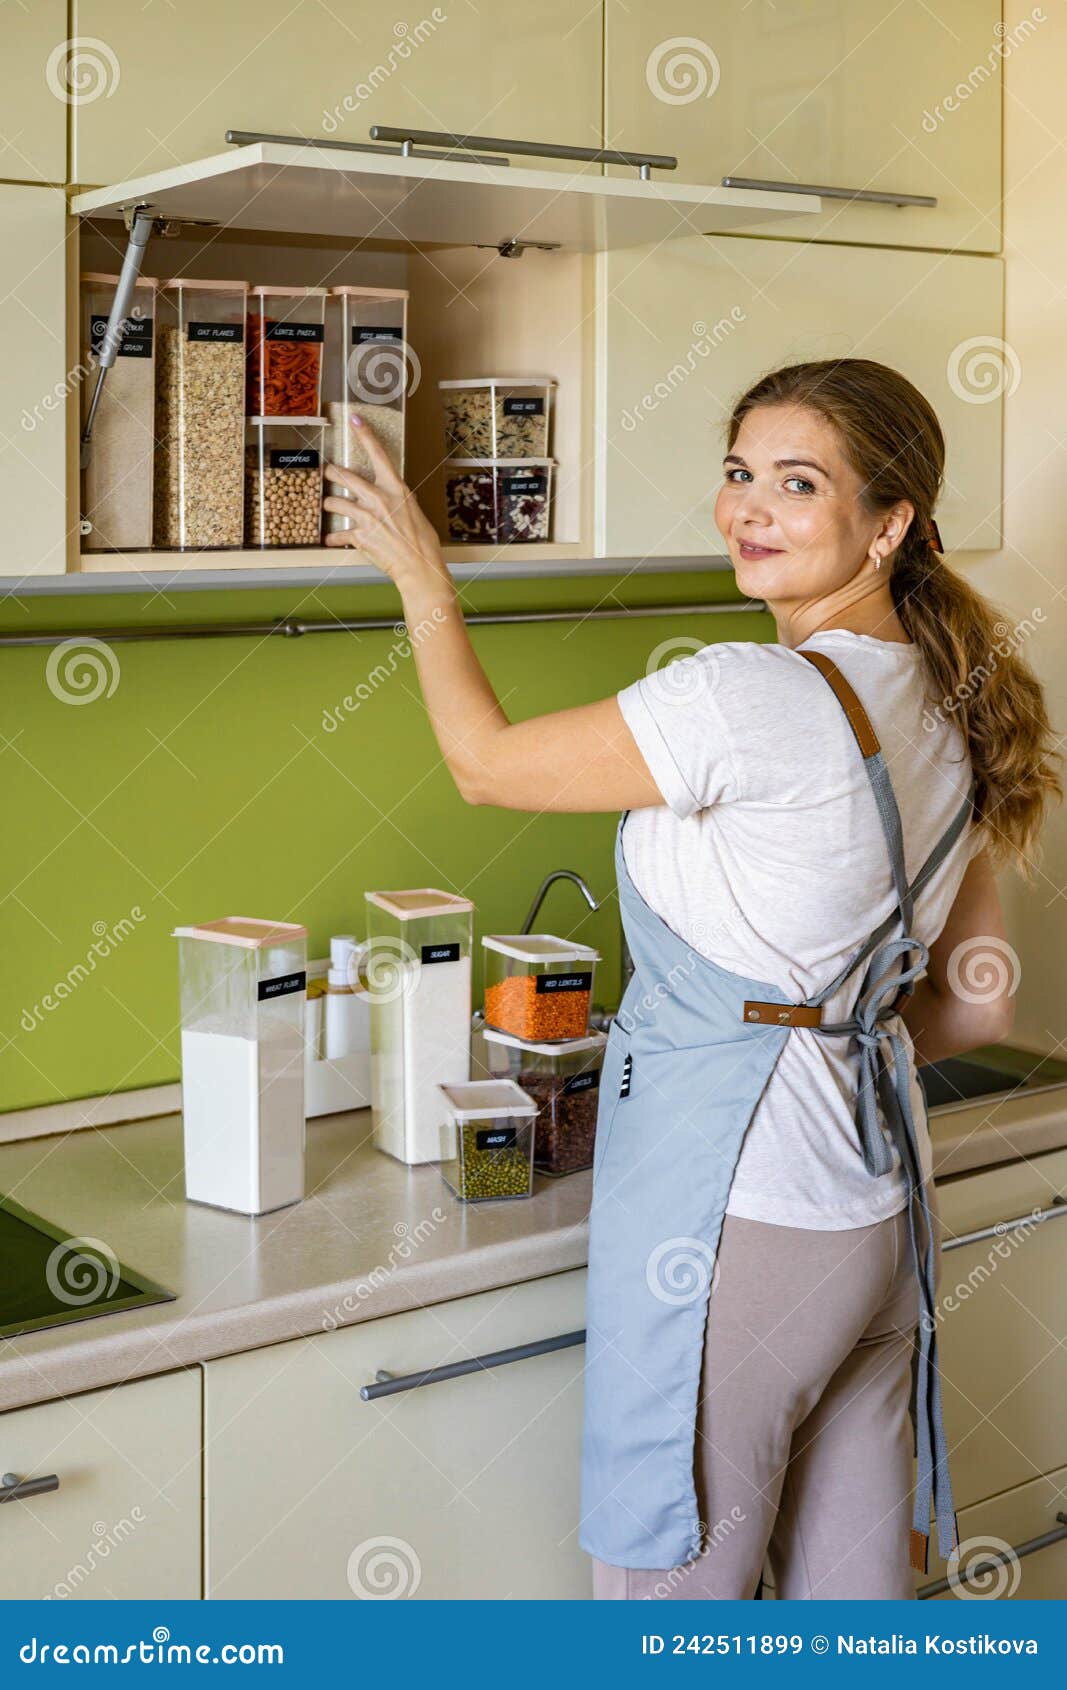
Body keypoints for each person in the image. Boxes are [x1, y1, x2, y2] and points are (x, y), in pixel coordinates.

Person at [323, 358, 1061, 1600]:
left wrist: (417, 569)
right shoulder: (950, 697)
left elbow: (486, 767)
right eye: (737, 472)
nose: (748, 508)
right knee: (850, 1618)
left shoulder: (744, 695)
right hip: (877, 1212)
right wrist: (827, 1044)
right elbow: (974, 999)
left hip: (737, 1223)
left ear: (888, 526)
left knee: (669, 1605)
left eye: (796, 482)